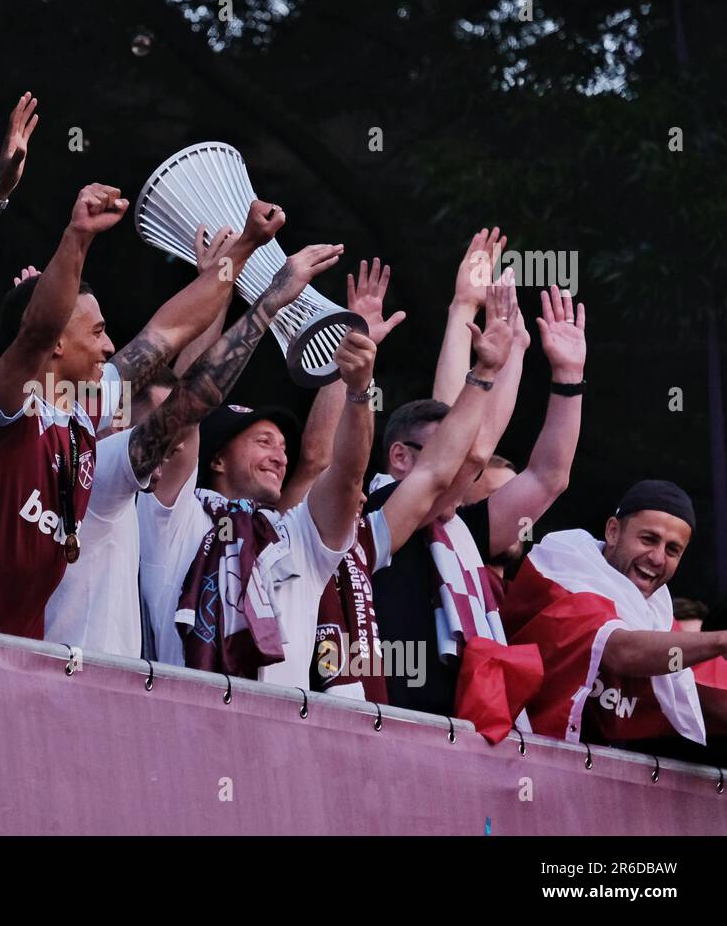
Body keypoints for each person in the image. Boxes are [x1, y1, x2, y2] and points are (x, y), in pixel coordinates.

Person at [0, 175, 269, 639]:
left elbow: (166, 333)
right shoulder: (1, 409)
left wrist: (243, 252)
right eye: (95, 333)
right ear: (55, 342)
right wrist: (78, 236)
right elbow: (35, 331)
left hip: (26, 663)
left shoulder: (80, 410)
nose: (109, 346)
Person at [44, 201, 289, 656]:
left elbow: (167, 348)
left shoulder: (61, 442)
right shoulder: (94, 477)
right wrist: (265, 294)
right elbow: (189, 398)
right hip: (73, 691)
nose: (110, 346)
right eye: (96, 333)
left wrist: (217, 282)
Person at [137, 252, 383, 687]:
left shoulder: (297, 537)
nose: (279, 456)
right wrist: (237, 290)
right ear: (215, 459)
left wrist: (360, 390)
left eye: (283, 447)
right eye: (262, 442)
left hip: (279, 743)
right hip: (180, 727)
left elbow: (345, 473)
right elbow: (190, 400)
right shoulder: (175, 516)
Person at [275, 265, 515, 701]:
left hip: (368, 725)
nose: (359, 496)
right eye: (261, 442)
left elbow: (444, 466)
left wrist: (487, 370)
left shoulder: (361, 541)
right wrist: (356, 380)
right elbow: (320, 461)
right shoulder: (283, 533)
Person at [366, 283, 586, 716]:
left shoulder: (456, 530)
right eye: (444, 449)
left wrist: (568, 377)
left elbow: (548, 478)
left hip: (464, 732)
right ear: (400, 457)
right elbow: (473, 452)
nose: (463, 466)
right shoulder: (375, 511)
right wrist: (496, 359)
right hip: (386, 723)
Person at [502, 479, 727, 746]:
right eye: (648, 539)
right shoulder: (563, 572)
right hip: (504, 755)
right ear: (612, 531)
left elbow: (708, 686)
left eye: (672, 550)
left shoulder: (655, 613)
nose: (657, 558)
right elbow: (620, 651)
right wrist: (720, 640)